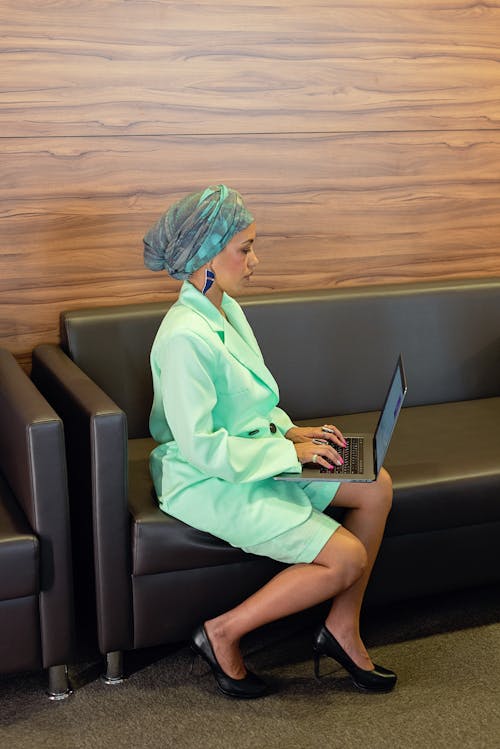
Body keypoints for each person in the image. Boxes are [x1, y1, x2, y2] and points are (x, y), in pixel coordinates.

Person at [143, 185, 396, 699]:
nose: (255, 260)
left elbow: (247, 404)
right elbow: (202, 448)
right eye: (246, 248)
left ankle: (342, 629)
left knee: (375, 482)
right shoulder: (183, 337)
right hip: (208, 479)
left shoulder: (225, 310)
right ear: (207, 257)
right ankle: (222, 633)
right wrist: (289, 453)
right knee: (346, 558)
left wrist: (290, 431)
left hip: (261, 451)